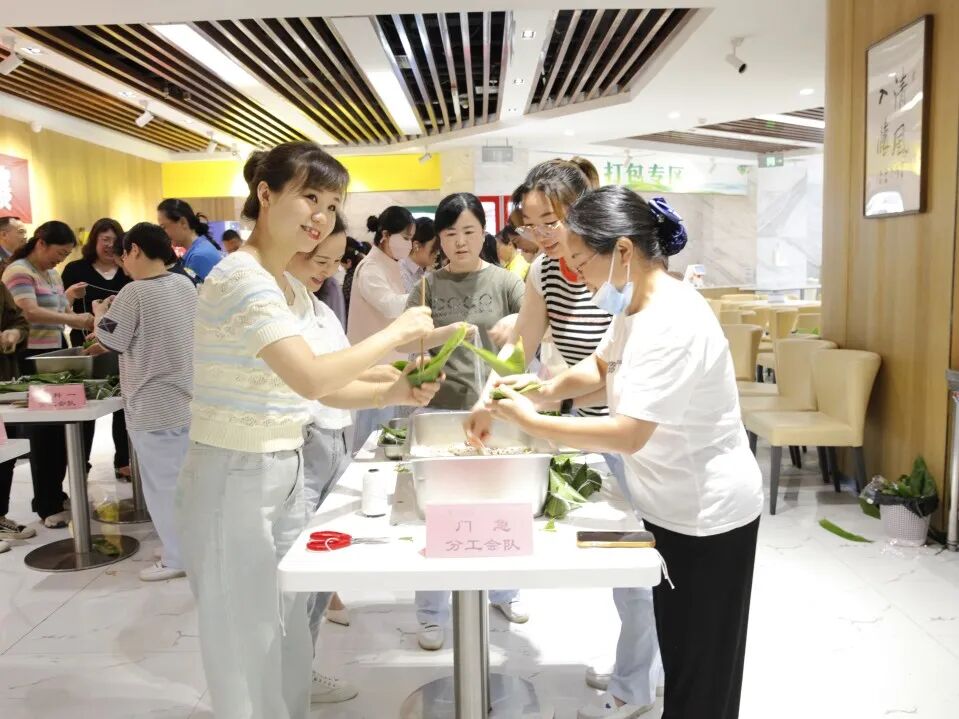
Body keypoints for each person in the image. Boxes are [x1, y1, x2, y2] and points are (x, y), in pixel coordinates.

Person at [175, 141, 438, 719]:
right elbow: (312, 376)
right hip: (230, 473)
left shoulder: (288, 286)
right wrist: (395, 334)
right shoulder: (240, 277)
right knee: (244, 637)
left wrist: (394, 390)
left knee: (288, 627)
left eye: (332, 204)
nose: (321, 216)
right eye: (310, 197)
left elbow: (318, 388)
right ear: (266, 194)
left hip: (284, 467)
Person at [485, 186, 763, 719]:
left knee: (703, 675)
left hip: (708, 513)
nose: (575, 273)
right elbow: (599, 369)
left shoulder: (673, 319)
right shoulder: (632, 304)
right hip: (665, 502)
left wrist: (534, 422)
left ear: (623, 250)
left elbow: (630, 433)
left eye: (580, 260)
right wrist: (539, 389)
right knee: (680, 651)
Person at [466, 158, 663, 710]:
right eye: (530, 225)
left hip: (626, 424)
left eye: (550, 222)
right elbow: (520, 347)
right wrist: (489, 397)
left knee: (634, 560)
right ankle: (638, 671)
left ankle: (636, 683)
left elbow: (613, 371)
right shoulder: (543, 271)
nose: (540, 236)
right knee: (616, 555)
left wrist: (540, 404)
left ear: (584, 211)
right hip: (580, 422)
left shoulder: (619, 271)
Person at [284, 212, 440, 704]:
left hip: (332, 438)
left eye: (334, 262)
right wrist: (390, 376)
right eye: (319, 260)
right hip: (302, 444)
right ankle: (288, 678)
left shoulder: (318, 308)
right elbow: (318, 383)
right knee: (296, 576)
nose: (328, 271)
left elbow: (345, 370)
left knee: (317, 570)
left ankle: (300, 670)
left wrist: (395, 376)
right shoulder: (277, 311)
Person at [397, 193, 527, 650]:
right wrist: (445, 332)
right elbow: (406, 342)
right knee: (438, 512)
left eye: (469, 231)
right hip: (440, 410)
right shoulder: (428, 286)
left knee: (499, 504)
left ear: (483, 232)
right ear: (440, 238)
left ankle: (505, 591)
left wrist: (517, 320)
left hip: (496, 411)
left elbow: (532, 326)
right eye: (450, 233)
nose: (460, 242)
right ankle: (431, 613)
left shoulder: (505, 281)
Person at [90, 222, 197, 582]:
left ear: (134, 249)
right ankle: (182, 547)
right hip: (186, 400)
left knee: (162, 488)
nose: (123, 263)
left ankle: (178, 557)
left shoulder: (134, 292)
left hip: (152, 405)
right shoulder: (184, 284)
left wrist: (99, 313)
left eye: (123, 255)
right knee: (183, 485)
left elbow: (110, 339)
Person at [2, 221, 93, 527]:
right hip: (29, 360)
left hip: (54, 357)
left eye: (66, 255)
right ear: (41, 243)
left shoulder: (52, 273)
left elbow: (59, 310)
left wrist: (74, 308)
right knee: (42, 434)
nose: (60, 259)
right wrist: (76, 321)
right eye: (59, 252)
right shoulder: (18, 271)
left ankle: (54, 492)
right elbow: (28, 312)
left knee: (58, 431)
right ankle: (46, 503)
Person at [62, 217, 131, 479]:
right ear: (94, 241)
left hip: (121, 348)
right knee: (84, 405)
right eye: (105, 240)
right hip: (86, 348)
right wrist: (70, 297)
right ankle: (80, 463)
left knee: (122, 405)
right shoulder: (75, 269)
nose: (110, 245)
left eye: (114, 240)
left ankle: (124, 460)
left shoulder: (127, 271)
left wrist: (106, 325)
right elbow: (63, 309)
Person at [346, 206, 416, 450]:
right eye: (405, 238)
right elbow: (389, 305)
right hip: (372, 367)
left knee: (384, 436)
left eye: (411, 239)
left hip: (388, 364)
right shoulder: (371, 268)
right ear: (386, 235)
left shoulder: (389, 263)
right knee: (370, 441)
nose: (409, 245)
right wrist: (422, 295)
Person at [0, 280, 33, 543]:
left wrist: (14, 334)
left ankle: (0, 517)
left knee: (5, 452)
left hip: (4, 382)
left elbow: (19, 321)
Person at [157, 199, 224, 282]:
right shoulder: (199, 248)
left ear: (183, 222)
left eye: (163, 227)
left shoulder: (199, 256)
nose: (163, 233)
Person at [399, 216, 438, 293]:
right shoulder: (401, 273)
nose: (438, 252)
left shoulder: (421, 270)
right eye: (434, 247)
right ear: (416, 246)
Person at [340, 237, 365, 319]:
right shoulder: (362, 268)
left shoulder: (352, 276)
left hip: (353, 315)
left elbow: (345, 297)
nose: (342, 267)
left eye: (342, 264)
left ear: (348, 262)